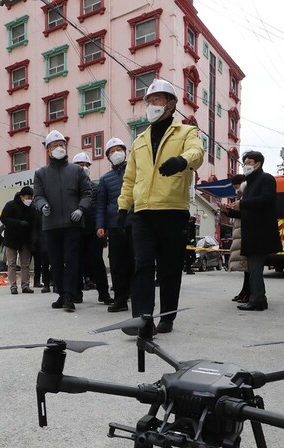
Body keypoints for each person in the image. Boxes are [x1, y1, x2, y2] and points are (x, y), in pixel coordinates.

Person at [117, 79, 203, 334]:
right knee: (142, 264)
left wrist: (182, 161)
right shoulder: (139, 140)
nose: (152, 105)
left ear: (171, 104)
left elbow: (197, 154)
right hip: (143, 212)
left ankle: (167, 316)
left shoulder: (186, 133)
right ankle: (142, 320)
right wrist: (123, 208)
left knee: (169, 268)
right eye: (149, 101)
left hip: (173, 211)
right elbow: (130, 178)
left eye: (157, 100)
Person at [33, 130, 92, 313]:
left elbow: (87, 193)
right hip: (51, 225)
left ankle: (69, 295)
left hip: (72, 225)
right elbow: (38, 196)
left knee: (72, 260)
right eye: (54, 145)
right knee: (55, 261)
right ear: (48, 150)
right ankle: (60, 293)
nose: (59, 148)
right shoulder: (41, 173)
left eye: (61, 144)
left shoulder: (76, 171)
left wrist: (81, 209)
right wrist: (43, 206)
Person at [231, 151, 280, 312]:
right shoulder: (250, 183)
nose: (246, 165)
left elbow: (267, 200)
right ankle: (260, 299)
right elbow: (248, 210)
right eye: (244, 162)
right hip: (251, 233)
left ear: (258, 163)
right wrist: (230, 211)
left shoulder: (266, 179)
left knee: (255, 269)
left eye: (249, 162)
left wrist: (243, 203)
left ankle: (257, 300)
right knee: (253, 269)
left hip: (260, 233)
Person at [95, 137, 133, 313]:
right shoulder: (105, 179)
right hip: (114, 225)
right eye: (111, 151)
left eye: (119, 149)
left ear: (125, 152)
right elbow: (100, 205)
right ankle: (120, 299)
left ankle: (135, 293)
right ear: (108, 157)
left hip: (134, 222)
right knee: (117, 262)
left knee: (135, 260)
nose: (116, 153)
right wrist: (100, 225)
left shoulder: (135, 172)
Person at [73, 151, 112, 304]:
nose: (84, 168)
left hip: (94, 231)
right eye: (80, 165)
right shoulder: (71, 190)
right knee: (76, 262)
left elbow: (100, 208)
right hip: (76, 230)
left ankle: (104, 293)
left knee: (96, 262)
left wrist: (101, 227)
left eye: (86, 165)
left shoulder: (96, 188)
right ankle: (76, 293)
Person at [0, 185, 36, 294]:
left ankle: (25, 285)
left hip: (25, 240)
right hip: (11, 239)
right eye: (27, 197)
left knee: (25, 264)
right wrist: (18, 223)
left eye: (31, 197)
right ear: (21, 196)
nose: (29, 199)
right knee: (12, 264)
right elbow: (3, 218)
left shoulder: (32, 208)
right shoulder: (10, 205)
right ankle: (13, 286)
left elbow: (34, 223)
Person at [221, 174, 249, 301]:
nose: (235, 189)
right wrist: (228, 211)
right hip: (242, 232)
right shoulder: (243, 195)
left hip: (245, 233)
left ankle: (248, 293)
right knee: (246, 269)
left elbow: (246, 214)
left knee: (248, 268)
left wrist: (230, 211)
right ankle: (245, 292)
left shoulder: (246, 194)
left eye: (235, 186)